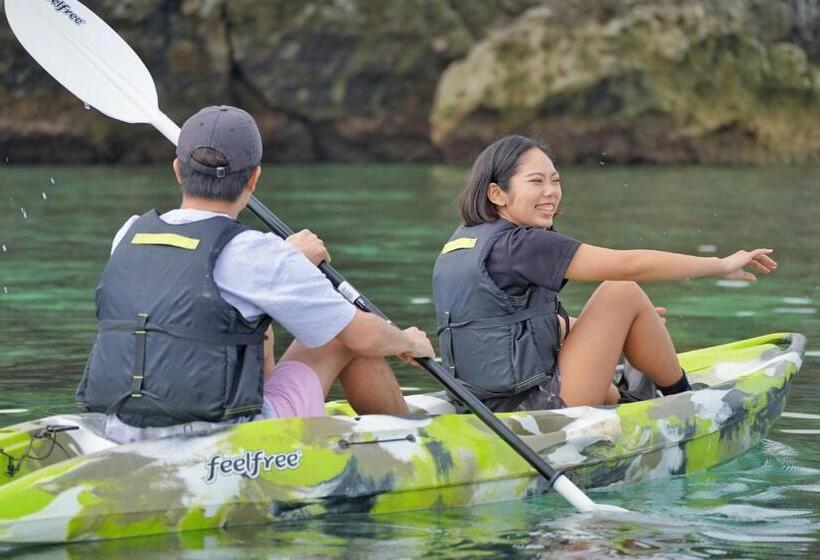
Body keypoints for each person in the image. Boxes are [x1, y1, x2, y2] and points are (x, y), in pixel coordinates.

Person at [76, 105, 434, 442]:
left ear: (177, 170)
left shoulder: (128, 233)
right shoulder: (260, 253)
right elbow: (363, 337)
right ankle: (413, 440)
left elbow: (191, 284)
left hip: (119, 424)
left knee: (246, 324)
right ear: (253, 178)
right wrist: (407, 341)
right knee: (342, 333)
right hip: (227, 437)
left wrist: (286, 260)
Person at [432, 135, 777, 412]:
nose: (551, 192)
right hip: (533, 407)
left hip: (479, 404)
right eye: (536, 181)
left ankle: (627, 395)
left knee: (616, 327)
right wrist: (720, 265)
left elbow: (498, 327)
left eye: (555, 181)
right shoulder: (522, 244)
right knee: (620, 291)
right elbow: (630, 266)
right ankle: (682, 398)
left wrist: (604, 327)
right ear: (497, 193)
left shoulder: (463, 242)